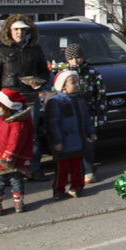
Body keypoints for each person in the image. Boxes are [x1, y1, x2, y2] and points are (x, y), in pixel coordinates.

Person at [0, 15, 51, 181]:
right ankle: (5, 173)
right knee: (6, 136)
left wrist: (38, 82)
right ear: (9, 31)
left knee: (31, 135)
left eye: (23, 29)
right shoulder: (1, 50)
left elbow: (44, 71)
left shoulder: (36, 49)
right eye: (16, 29)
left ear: (28, 31)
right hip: (7, 100)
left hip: (30, 97)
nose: (19, 32)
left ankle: (33, 169)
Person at [44, 70, 96, 199]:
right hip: (63, 143)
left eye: (77, 81)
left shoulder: (80, 101)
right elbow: (52, 124)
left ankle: (76, 187)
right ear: (63, 86)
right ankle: (59, 190)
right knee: (61, 169)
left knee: (77, 167)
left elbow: (86, 119)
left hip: (77, 141)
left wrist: (91, 132)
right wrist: (56, 141)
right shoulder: (55, 101)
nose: (77, 84)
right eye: (73, 82)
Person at [63, 44, 106, 184]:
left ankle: (88, 170)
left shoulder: (92, 73)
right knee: (72, 144)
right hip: (70, 116)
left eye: (78, 57)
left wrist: (100, 117)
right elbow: (56, 94)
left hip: (89, 114)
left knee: (88, 143)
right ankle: (74, 171)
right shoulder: (64, 74)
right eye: (71, 58)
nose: (75, 61)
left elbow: (101, 96)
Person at [0, 88, 34, 214]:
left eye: (0, 107)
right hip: (0, 157)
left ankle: (18, 202)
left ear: (8, 107)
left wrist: (8, 157)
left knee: (16, 181)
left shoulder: (18, 124)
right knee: (0, 183)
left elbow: (15, 143)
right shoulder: (1, 120)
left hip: (13, 160)